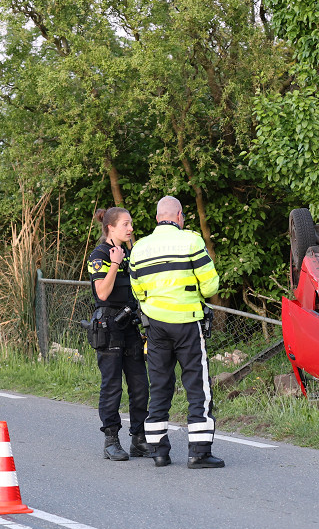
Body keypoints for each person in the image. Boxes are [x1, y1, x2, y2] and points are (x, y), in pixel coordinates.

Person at [129, 196, 224, 468]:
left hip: (156, 327)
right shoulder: (191, 242)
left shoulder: (139, 248)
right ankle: (199, 453)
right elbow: (210, 287)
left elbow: (138, 292)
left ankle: (158, 452)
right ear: (179, 216)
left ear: (157, 217)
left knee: (159, 386)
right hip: (187, 324)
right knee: (197, 387)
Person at [87, 207, 149, 461]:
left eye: (131, 223)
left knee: (140, 384)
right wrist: (114, 263)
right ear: (110, 227)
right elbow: (102, 293)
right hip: (109, 326)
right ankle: (111, 440)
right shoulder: (99, 255)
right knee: (112, 386)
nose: (130, 228)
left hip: (130, 324)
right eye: (125, 224)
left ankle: (139, 439)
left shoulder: (131, 254)